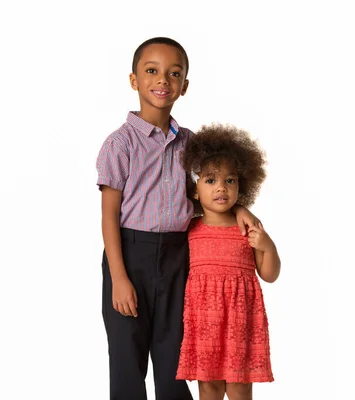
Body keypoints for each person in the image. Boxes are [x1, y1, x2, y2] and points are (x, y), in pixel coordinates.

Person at [96, 37, 261, 400]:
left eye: (174, 74)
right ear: (134, 79)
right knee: (128, 356)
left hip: (180, 257)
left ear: (184, 85)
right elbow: (109, 216)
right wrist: (119, 277)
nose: (163, 81)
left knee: (175, 354)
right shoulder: (119, 144)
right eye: (151, 71)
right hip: (129, 253)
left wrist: (240, 209)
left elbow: (211, 195)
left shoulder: (191, 144)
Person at [176, 123, 281, 400]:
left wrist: (268, 246)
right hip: (203, 322)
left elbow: (269, 274)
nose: (221, 188)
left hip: (240, 323)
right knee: (208, 387)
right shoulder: (189, 228)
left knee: (240, 387)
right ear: (195, 190)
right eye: (210, 180)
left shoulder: (248, 227)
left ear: (241, 186)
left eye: (229, 180)